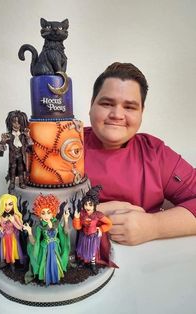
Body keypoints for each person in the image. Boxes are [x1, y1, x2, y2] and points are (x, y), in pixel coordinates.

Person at [84, 62, 196, 246]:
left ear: (141, 112)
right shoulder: (62, 143)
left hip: (146, 266)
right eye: (106, 103)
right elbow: (27, 208)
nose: (117, 114)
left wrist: (154, 226)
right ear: (92, 105)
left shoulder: (155, 153)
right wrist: (90, 212)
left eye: (129, 107)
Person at [23, 194, 70, 286]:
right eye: (43, 213)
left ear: (53, 211)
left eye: (48, 212)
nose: (46, 215)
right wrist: (29, 232)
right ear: (39, 213)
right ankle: (44, 276)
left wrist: (66, 220)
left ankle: (55, 276)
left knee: (56, 262)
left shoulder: (56, 223)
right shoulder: (40, 226)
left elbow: (65, 232)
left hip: (55, 247)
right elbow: (34, 242)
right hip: (45, 249)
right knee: (45, 263)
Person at [72, 185, 115, 274]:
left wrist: (101, 229)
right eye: (86, 204)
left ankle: (93, 264)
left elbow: (109, 223)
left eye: (90, 205)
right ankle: (83, 262)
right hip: (83, 236)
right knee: (83, 249)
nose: (87, 207)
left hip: (93, 236)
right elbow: (78, 227)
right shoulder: (82, 214)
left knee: (92, 252)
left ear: (94, 205)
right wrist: (76, 218)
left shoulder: (98, 215)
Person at [0, 110, 33, 194]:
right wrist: (3, 141)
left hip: (21, 156)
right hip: (12, 157)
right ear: (10, 123)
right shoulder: (9, 136)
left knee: (21, 169)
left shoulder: (23, 136)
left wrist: (28, 136)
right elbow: (1, 149)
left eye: (19, 123)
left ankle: (21, 182)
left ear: (22, 124)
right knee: (12, 170)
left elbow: (30, 145)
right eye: (14, 122)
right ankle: (12, 183)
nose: (16, 125)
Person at [0, 194, 25, 270]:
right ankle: (8, 263)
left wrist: (13, 221)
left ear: (13, 205)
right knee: (6, 251)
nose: (7, 207)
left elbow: (21, 228)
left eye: (10, 204)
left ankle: (13, 264)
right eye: (5, 204)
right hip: (4, 237)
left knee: (13, 251)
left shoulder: (15, 216)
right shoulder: (1, 216)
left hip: (13, 237)